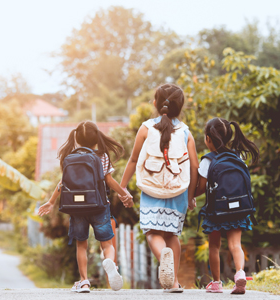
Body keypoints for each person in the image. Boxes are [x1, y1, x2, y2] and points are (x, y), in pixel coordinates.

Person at [119, 84, 199, 292]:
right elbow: (194, 167)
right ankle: (173, 283)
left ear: (155, 103)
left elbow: (133, 159)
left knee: (152, 232)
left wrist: (122, 188)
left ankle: (164, 257)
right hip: (178, 190)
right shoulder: (185, 133)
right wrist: (190, 197)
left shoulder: (146, 128)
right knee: (172, 235)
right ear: (180, 107)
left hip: (151, 189)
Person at [37, 121, 133, 293]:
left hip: (77, 208)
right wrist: (124, 194)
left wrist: (51, 202)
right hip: (99, 206)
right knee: (107, 244)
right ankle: (110, 263)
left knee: (81, 244)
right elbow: (109, 181)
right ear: (96, 138)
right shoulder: (102, 156)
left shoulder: (70, 157)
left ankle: (84, 282)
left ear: (77, 139)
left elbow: (62, 183)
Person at [194, 117, 259, 294]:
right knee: (235, 244)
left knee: (214, 246)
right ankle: (240, 273)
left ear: (208, 138)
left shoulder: (207, 160)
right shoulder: (238, 157)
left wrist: (191, 195)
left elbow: (200, 189)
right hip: (238, 209)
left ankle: (216, 283)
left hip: (216, 210)